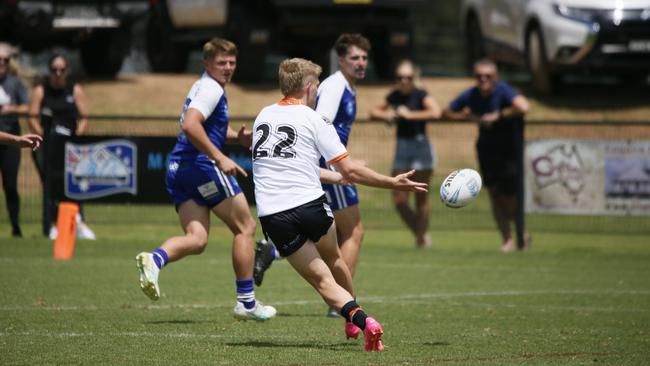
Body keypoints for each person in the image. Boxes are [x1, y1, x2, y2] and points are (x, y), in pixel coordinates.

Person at [252, 57, 427, 351]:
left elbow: (291, 164)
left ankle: (362, 320)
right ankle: (353, 318)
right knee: (334, 260)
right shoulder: (314, 118)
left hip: (274, 216)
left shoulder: (262, 116)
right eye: (317, 86)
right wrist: (392, 181)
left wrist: (335, 178)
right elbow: (352, 170)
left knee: (322, 281)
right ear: (308, 87)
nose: (318, 92)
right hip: (311, 206)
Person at [134, 38, 276, 321]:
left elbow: (203, 128)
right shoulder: (211, 89)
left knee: (197, 240)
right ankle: (246, 303)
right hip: (202, 166)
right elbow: (190, 125)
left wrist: (236, 138)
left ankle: (155, 260)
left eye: (232, 63)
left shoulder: (202, 86)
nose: (228, 68)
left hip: (180, 168)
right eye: (221, 63)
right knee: (246, 227)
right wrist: (220, 157)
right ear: (207, 63)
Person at [254, 33, 371, 318]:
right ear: (341, 60)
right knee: (354, 231)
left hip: (326, 167)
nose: (360, 63)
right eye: (354, 58)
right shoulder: (334, 87)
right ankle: (345, 304)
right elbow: (321, 121)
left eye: (364, 58)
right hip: (327, 166)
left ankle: (273, 251)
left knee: (330, 235)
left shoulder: (345, 86)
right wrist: (345, 165)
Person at [443, 59, 530, 252]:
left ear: (495, 77)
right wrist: (469, 116)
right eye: (479, 76)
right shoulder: (471, 94)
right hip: (486, 150)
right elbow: (447, 111)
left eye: (488, 76)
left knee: (510, 197)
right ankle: (507, 239)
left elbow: (523, 107)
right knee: (494, 195)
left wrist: (498, 115)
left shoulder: (504, 91)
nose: (483, 80)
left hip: (509, 151)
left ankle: (521, 233)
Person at [370, 59, 441, 248]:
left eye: (408, 77)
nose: (403, 81)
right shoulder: (395, 95)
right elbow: (374, 111)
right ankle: (421, 232)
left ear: (414, 78)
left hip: (420, 146)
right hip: (402, 146)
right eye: (400, 77)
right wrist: (387, 115)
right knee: (399, 199)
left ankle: (420, 239)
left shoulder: (421, 94)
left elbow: (436, 112)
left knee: (421, 197)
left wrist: (410, 115)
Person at [28, 53, 96, 240]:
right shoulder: (41, 90)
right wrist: (42, 135)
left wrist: (77, 138)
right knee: (51, 185)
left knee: (74, 184)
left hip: (70, 148)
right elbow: (32, 116)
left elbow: (84, 117)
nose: (58, 73)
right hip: (48, 146)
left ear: (67, 71)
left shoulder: (74, 90)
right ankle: (52, 225)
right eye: (54, 69)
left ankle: (78, 223)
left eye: (62, 69)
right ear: (49, 71)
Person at [0, 42, 30, 237]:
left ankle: (15, 225)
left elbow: (27, 107)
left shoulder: (15, 83)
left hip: (10, 138)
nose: (2, 62)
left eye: (5, 60)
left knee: (10, 184)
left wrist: (11, 109)